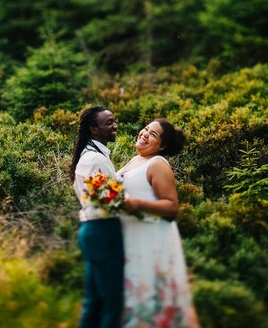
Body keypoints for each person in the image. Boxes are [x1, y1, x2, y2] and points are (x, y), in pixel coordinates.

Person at [118, 119, 199, 328]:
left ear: (162, 146)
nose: (144, 134)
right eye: (145, 129)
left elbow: (172, 207)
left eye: (152, 134)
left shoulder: (158, 164)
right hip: (131, 237)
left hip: (150, 240)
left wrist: (137, 203)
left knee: (151, 298)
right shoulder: (136, 159)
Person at [71, 105, 123, 328]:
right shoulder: (96, 160)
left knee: (93, 303)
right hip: (103, 231)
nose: (115, 126)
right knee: (112, 303)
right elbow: (110, 201)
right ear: (94, 129)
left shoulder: (91, 155)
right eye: (108, 122)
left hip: (93, 231)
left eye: (114, 120)